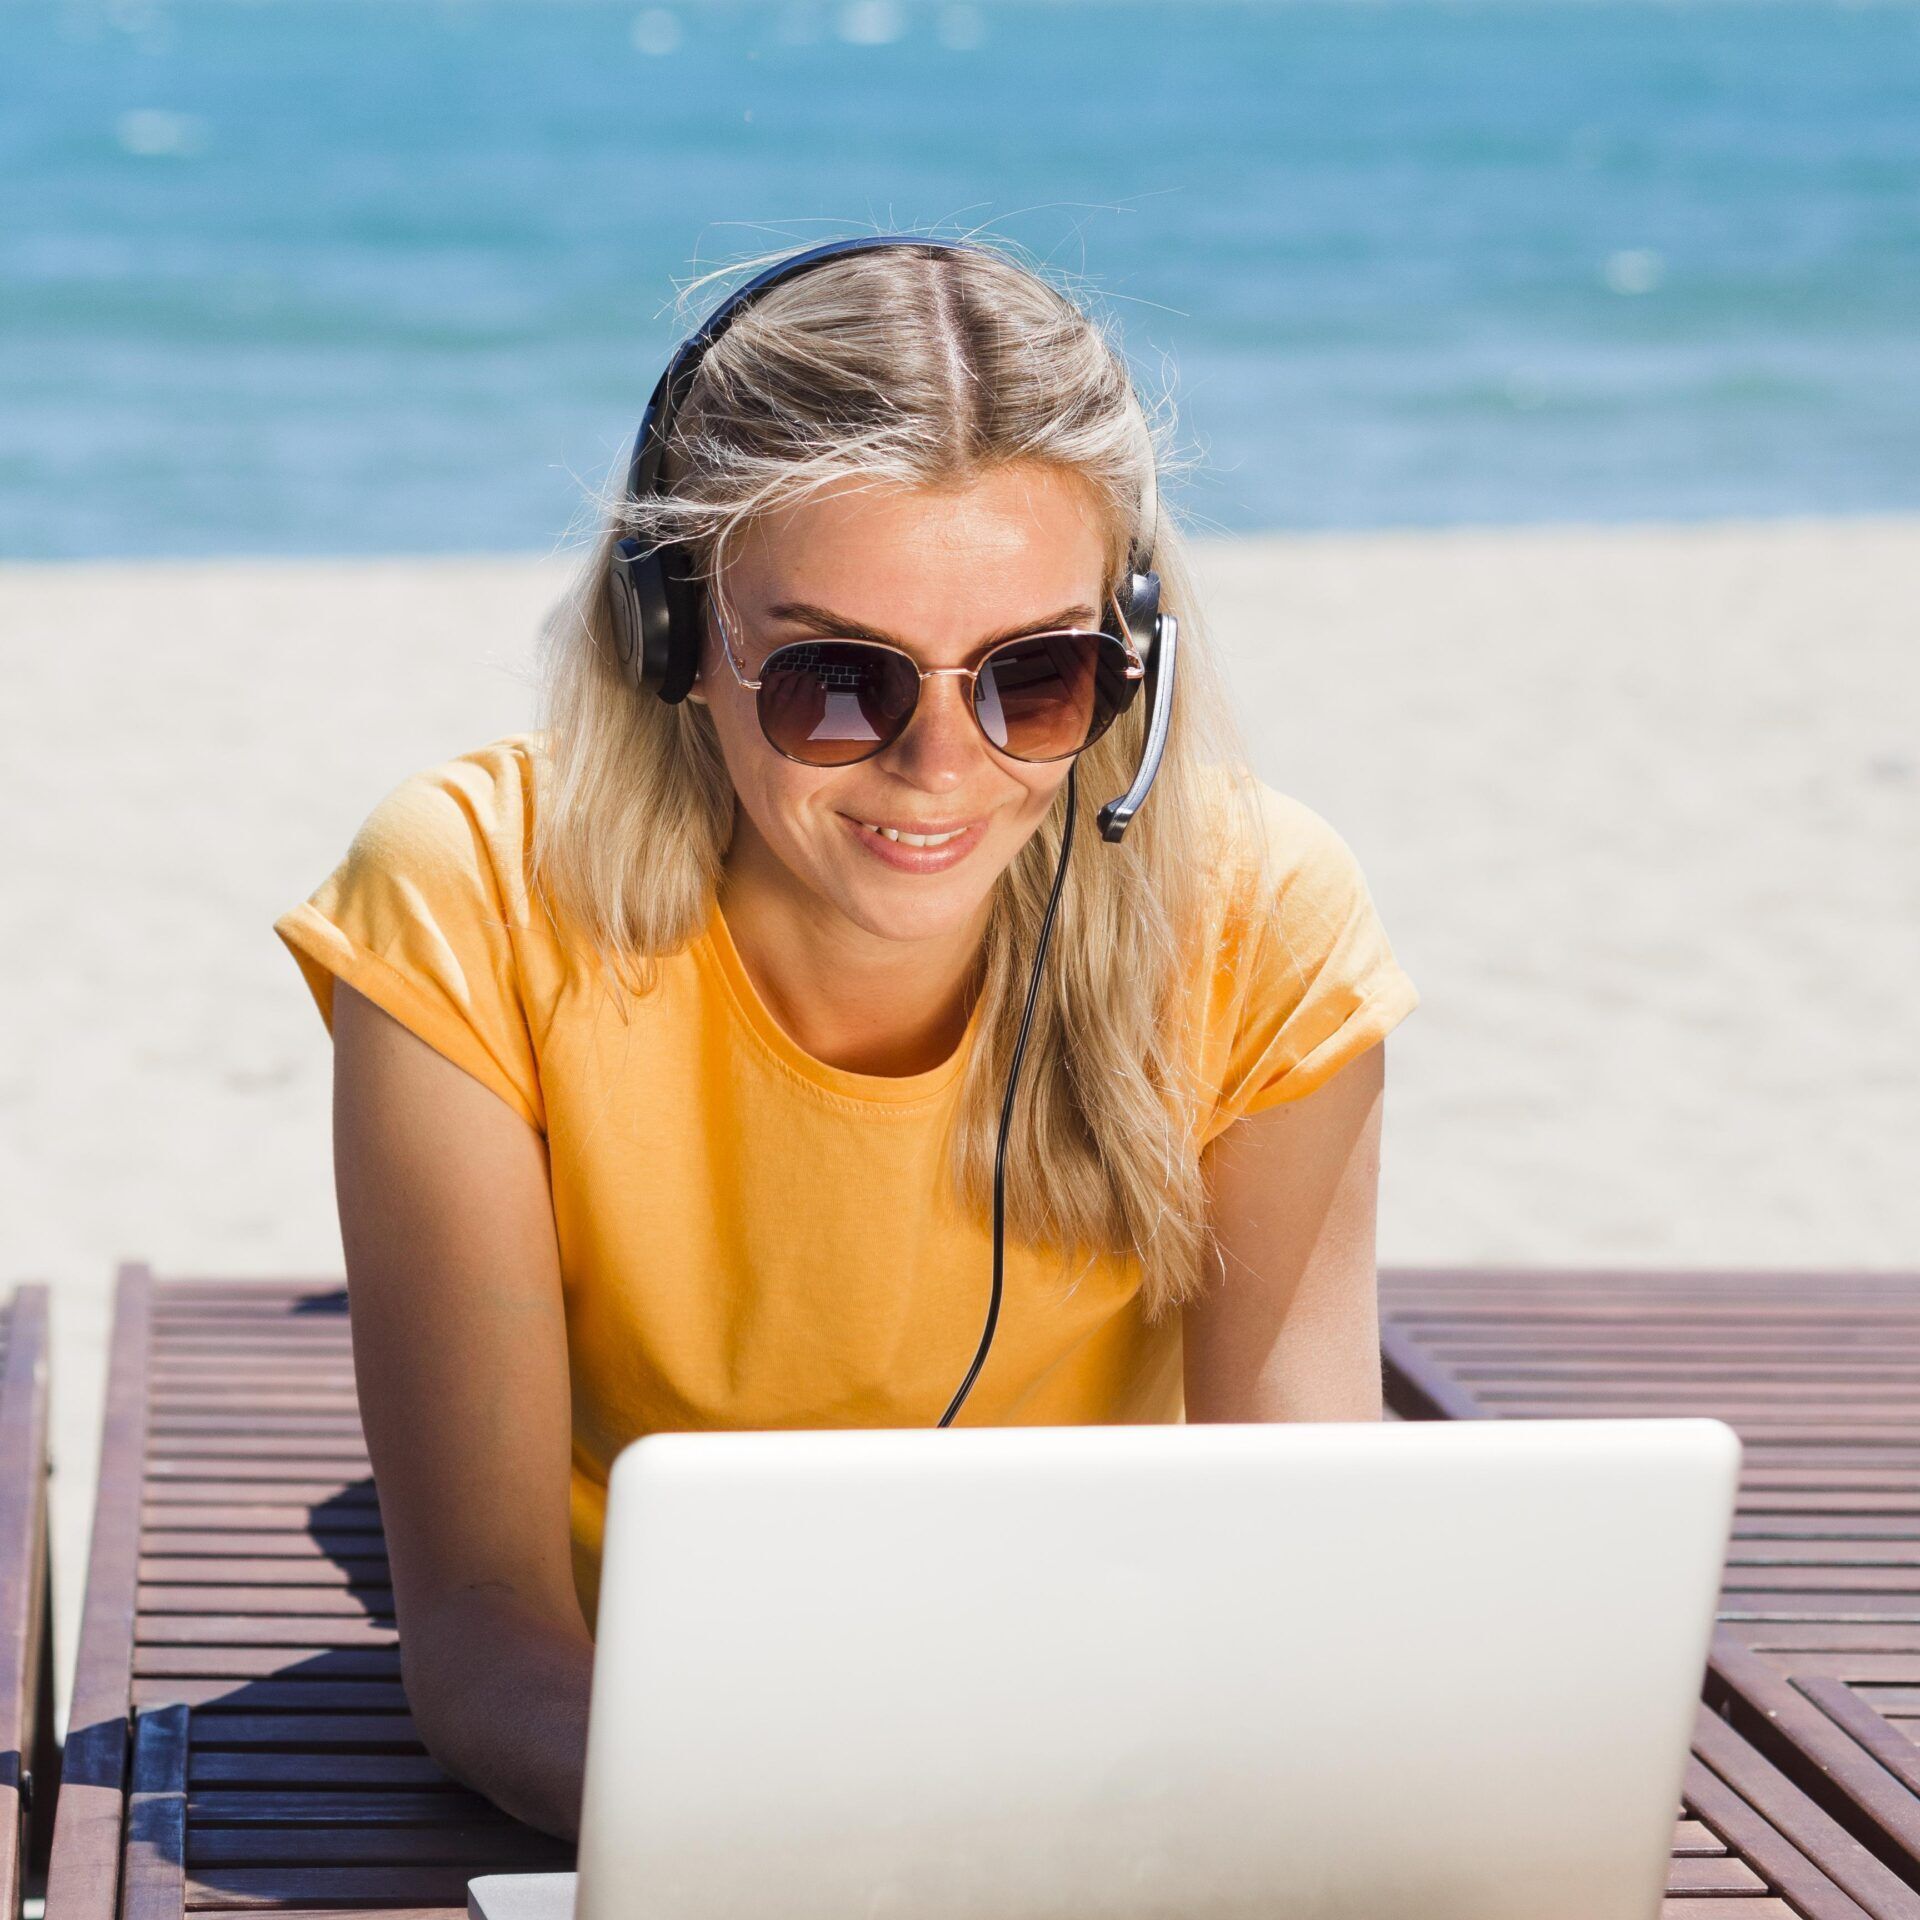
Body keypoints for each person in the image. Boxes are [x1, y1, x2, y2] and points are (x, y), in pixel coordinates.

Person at [273, 236, 1419, 1843]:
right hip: (659, 1720)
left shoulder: (1263, 916)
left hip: (1080, 1736)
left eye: (1039, 675)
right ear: (670, 638)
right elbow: (482, 1634)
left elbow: (1301, 1565)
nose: (940, 768)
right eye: (834, 678)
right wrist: (802, 1851)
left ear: (1129, 655)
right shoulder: (467, 889)